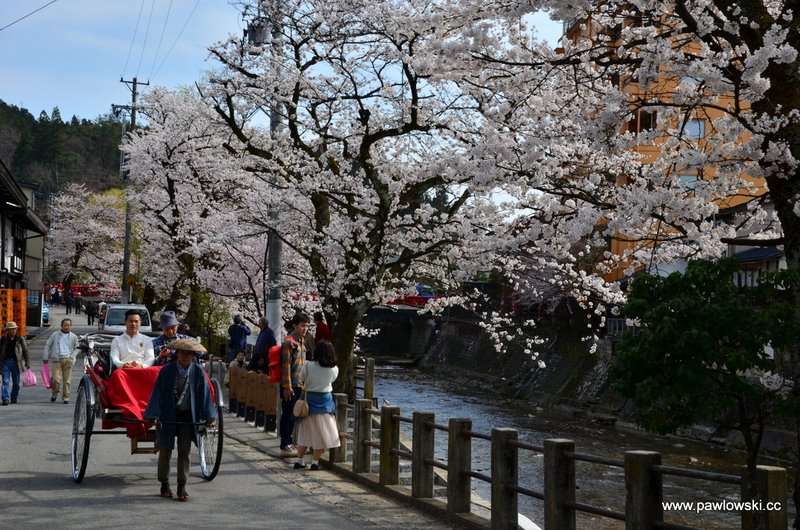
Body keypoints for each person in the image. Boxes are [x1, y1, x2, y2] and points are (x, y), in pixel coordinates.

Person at [144, 339, 216, 502]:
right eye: (182, 353)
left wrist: (210, 417)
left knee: (184, 450)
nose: (185, 357)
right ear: (177, 354)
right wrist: (153, 414)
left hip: (187, 416)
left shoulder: (197, 372)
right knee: (165, 449)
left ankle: (182, 485)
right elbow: (157, 393)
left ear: (193, 356)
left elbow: (205, 396)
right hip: (167, 414)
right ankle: (164, 483)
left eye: (189, 354)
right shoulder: (166, 371)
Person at [294, 341, 340, 470]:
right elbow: (332, 381)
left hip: (308, 401)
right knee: (322, 434)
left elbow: (301, 379)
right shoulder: (334, 369)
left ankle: (299, 460)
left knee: (305, 433)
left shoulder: (308, 366)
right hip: (325, 402)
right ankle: (315, 462)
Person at [279, 313, 309, 457]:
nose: (305, 328)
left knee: (294, 415)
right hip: (290, 384)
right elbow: (286, 366)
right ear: (295, 326)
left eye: (307, 325)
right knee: (288, 414)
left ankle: (289, 441)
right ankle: (285, 443)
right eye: (302, 325)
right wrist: (287, 386)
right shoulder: (289, 342)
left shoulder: (302, 341)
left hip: (300, 384)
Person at [42, 318, 79, 403]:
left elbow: (78, 347)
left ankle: (66, 397)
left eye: (69, 325)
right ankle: (54, 393)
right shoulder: (55, 335)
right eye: (65, 325)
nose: (67, 327)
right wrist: (45, 357)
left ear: (71, 326)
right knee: (56, 380)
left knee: (67, 381)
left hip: (68, 360)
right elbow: (48, 345)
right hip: (57, 360)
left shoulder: (73, 336)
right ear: (61, 326)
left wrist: (72, 357)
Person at [0, 322, 30, 405]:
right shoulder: (3, 339)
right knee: (5, 381)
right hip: (5, 362)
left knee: (16, 383)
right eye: (11, 329)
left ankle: (14, 397)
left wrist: (27, 362)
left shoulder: (20, 339)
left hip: (16, 363)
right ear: (8, 330)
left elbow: (25, 351)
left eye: (15, 329)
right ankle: (5, 398)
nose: (14, 330)